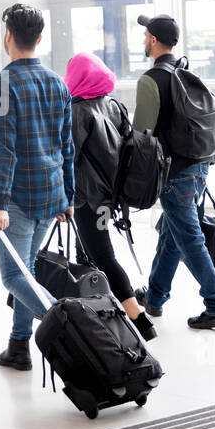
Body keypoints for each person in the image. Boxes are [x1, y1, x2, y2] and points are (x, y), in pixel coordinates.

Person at [131, 13, 215, 330]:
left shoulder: (152, 80)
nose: (144, 40)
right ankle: (155, 298)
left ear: (154, 41)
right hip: (199, 167)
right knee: (171, 234)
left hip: (175, 175)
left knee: (189, 238)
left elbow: (141, 135)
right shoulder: (185, 73)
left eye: (146, 35)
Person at [0, 3, 74, 371]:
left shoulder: (0, 86)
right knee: (26, 271)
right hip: (52, 193)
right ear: (39, 39)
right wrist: (68, 196)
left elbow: (4, 152)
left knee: (13, 275)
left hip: (19, 199)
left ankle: (69, 325)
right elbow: (67, 145)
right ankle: (19, 346)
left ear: (8, 36)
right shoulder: (58, 82)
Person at [64, 52, 158, 342]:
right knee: (90, 256)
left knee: (103, 256)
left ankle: (138, 319)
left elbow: (69, 157)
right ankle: (98, 317)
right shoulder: (113, 106)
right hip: (109, 197)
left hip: (85, 198)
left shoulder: (77, 112)